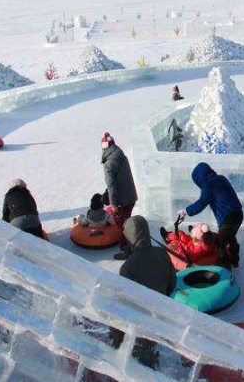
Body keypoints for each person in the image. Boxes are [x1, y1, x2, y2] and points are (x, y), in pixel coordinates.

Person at [117, 216, 176, 369]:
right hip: (161, 314)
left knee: (140, 362)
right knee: (154, 351)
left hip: (139, 322)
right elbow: (172, 283)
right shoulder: (162, 253)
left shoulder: (128, 267)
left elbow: (123, 301)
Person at [178, 162, 244, 268]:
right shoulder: (221, 178)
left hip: (228, 218)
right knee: (231, 236)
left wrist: (186, 211)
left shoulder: (208, 186)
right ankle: (234, 258)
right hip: (238, 213)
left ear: (199, 179)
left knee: (220, 242)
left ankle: (224, 265)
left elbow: (201, 204)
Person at [101, 132, 138, 260]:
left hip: (122, 201)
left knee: (121, 226)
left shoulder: (109, 164)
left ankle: (127, 251)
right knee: (127, 222)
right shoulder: (120, 154)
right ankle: (132, 245)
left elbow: (112, 187)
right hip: (131, 196)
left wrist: (114, 205)